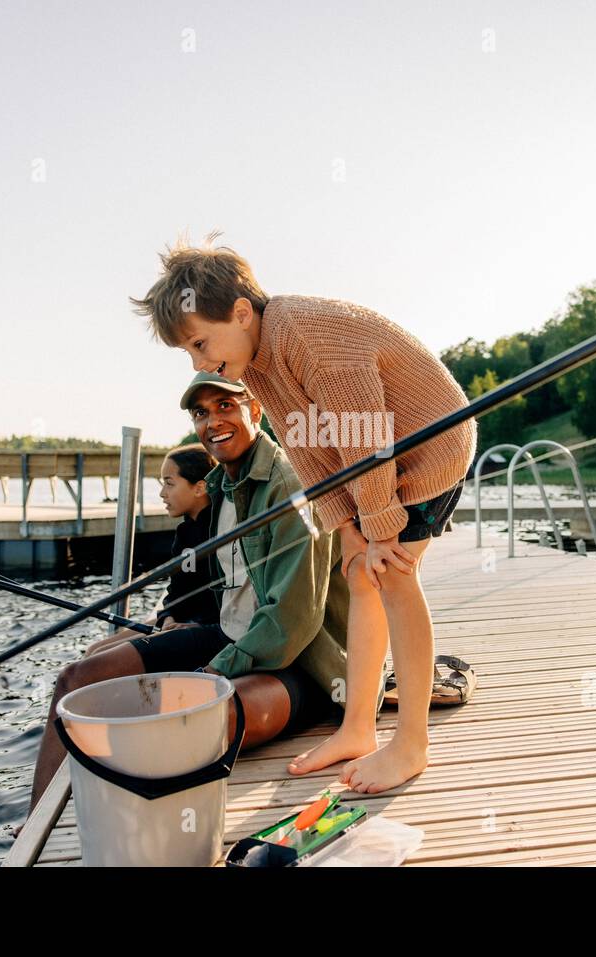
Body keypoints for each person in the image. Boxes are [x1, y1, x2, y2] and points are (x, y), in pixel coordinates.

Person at [133, 238, 477, 794]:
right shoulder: (255, 363)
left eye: (200, 344)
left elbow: (363, 434)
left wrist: (381, 527)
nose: (199, 363)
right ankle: (358, 728)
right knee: (358, 576)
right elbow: (310, 448)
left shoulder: (310, 336)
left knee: (392, 577)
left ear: (241, 312)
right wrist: (345, 525)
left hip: (427, 447)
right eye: (189, 354)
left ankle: (412, 743)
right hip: (371, 455)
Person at [27, 375, 352, 812]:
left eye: (225, 406)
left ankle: (142, 825)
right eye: (201, 412)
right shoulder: (220, 488)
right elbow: (223, 586)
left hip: (298, 660)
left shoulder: (290, 485)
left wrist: (208, 673)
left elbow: (292, 621)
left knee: (202, 718)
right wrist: (177, 626)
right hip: (227, 636)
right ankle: (37, 823)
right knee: (77, 679)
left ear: (254, 411)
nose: (213, 420)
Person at [81, 443, 220, 659]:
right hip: (176, 621)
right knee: (93, 651)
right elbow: (176, 590)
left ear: (199, 488)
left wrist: (192, 623)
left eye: (169, 484)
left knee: (101, 659)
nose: (162, 493)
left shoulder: (219, 530)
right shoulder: (185, 532)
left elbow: (223, 597)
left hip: (201, 627)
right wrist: (168, 617)